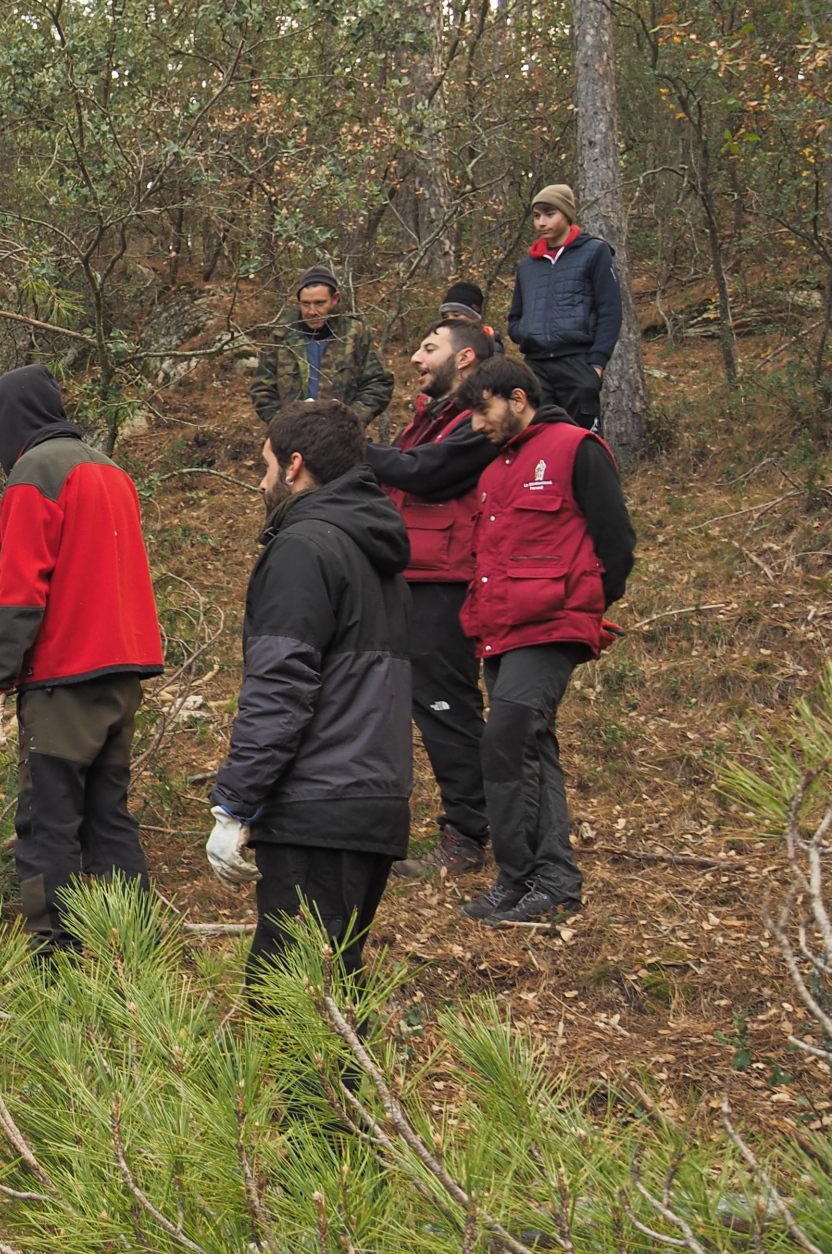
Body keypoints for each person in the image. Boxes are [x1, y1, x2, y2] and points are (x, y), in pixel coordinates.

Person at [207, 403, 413, 990]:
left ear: (294, 465)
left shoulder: (304, 549)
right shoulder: (375, 551)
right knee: (331, 988)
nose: (261, 481)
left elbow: (280, 687)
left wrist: (234, 803)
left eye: (266, 465)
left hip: (319, 804)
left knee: (292, 1001)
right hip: (373, 798)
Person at [0, 367, 165, 951]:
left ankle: (53, 956)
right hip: (121, 674)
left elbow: (20, 590)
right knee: (109, 818)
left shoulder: (36, 473)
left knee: (45, 824)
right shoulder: (111, 471)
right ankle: (136, 951)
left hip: (63, 679)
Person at [456, 358, 637, 923]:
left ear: (517, 397)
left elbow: (616, 542)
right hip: (499, 630)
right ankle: (541, 880)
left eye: (482, 411)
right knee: (527, 748)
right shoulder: (493, 471)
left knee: (507, 742)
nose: (476, 426)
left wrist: (585, 606)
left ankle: (530, 878)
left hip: (552, 624)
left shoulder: (577, 448)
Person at [367, 321, 500, 881]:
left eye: (429, 348)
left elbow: (426, 473)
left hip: (447, 579)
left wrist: (353, 447)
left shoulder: (475, 422)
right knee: (422, 702)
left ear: (464, 357)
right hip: (411, 574)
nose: (416, 359)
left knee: (448, 705)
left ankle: (468, 834)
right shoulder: (427, 419)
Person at [508, 184, 621, 430]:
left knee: (580, 440)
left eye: (549, 214)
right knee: (538, 438)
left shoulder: (594, 252)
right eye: (536, 216)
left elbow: (610, 310)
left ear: (567, 214)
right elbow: (515, 316)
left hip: (578, 363)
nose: (541, 222)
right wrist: (524, 332)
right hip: (535, 366)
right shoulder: (527, 265)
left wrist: (596, 365)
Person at [251, 266, 394, 425]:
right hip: (291, 433)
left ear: (335, 298)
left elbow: (379, 383)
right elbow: (262, 388)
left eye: (320, 303)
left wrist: (351, 419)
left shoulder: (356, 334)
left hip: (342, 433)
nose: (312, 311)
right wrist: (283, 424)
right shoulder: (282, 335)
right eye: (305, 304)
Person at [438, 280, 504, 357]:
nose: (450, 320)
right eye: (445, 317)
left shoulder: (490, 344)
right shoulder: (439, 341)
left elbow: (496, 364)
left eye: (456, 315)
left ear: (474, 317)